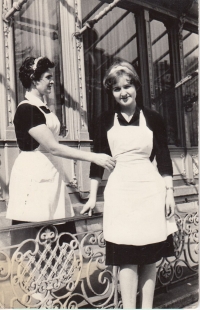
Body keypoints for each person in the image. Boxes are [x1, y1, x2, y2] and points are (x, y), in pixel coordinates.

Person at [80, 60, 178, 309]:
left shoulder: (154, 118)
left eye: (128, 86)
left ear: (136, 86)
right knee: (126, 256)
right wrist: (92, 196)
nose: (123, 92)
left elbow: (164, 157)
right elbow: (97, 161)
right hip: (121, 192)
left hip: (150, 190)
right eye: (117, 89)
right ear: (111, 92)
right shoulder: (103, 120)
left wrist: (169, 193)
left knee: (149, 256)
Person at [6, 56, 115, 228]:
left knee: (58, 223)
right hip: (33, 175)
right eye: (48, 77)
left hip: (50, 171)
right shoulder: (26, 109)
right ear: (34, 80)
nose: (52, 82)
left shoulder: (42, 107)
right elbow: (53, 147)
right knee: (36, 229)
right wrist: (94, 157)